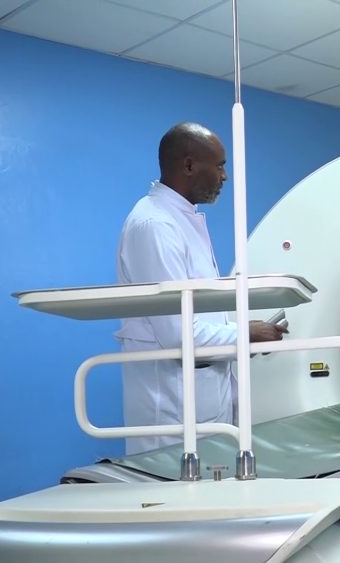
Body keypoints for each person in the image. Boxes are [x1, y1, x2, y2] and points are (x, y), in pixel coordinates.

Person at [115, 122, 287, 455]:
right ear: (190, 166)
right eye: (220, 165)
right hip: (171, 417)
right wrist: (245, 334)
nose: (225, 176)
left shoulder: (182, 219)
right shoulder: (155, 225)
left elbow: (204, 317)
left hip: (205, 406)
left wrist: (245, 340)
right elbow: (178, 334)